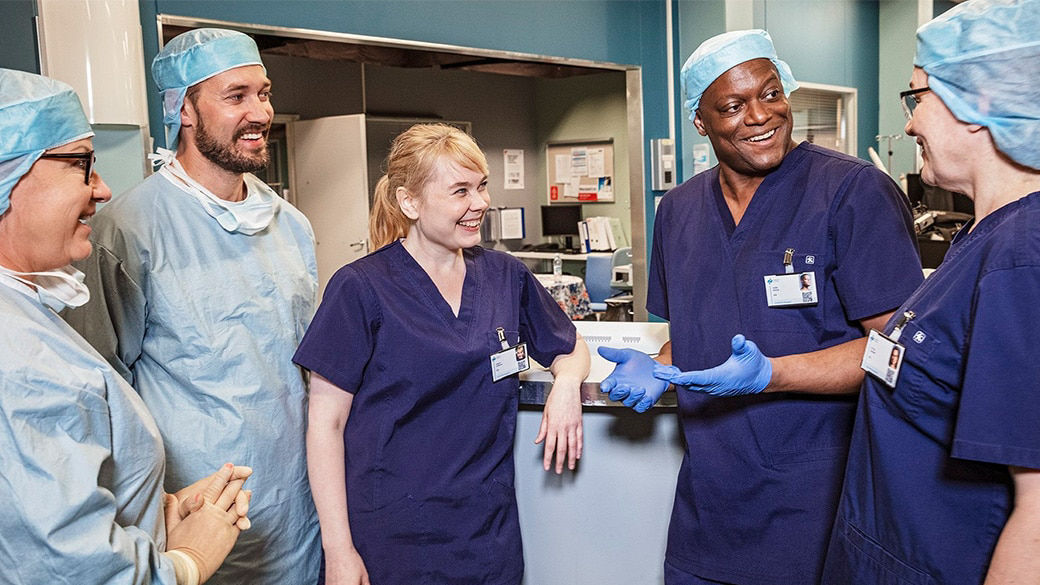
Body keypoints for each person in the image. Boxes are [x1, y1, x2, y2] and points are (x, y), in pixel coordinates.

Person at [598, 30, 924, 584]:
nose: (760, 116)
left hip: (821, 506)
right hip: (709, 510)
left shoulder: (851, 192)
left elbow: (899, 353)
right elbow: (694, 331)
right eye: (733, 105)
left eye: (771, 94)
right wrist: (662, 367)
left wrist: (772, 375)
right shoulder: (678, 211)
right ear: (701, 123)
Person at [64, 29, 320, 584]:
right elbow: (99, 395)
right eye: (235, 97)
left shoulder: (291, 227)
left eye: (264, 92)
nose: (260, 112)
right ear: (182, 108)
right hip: (195, 520)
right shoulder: (126, 231)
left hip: (299, 513)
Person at [294, 124, 589, 585]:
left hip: (487, 534)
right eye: (460, 191)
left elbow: (569, 348)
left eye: (482, 186)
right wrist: (338, 549)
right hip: (391, 538)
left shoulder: (504, 276)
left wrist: (567, 386)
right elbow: (324, 425)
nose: (480, 203)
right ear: (409, 202)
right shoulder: (360, 288)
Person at [0, 67, 253, 585]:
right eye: (81, 165)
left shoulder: (28, 314)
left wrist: (151, 513)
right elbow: (65, 568)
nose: (102, 188)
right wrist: (183, 564)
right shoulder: (20, 361)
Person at [822, 1, 1040, 582]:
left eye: (917, 97)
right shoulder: (983, 236)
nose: (911, 123)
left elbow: (1038, 520)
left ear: (980, 104)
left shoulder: (1022, 260)